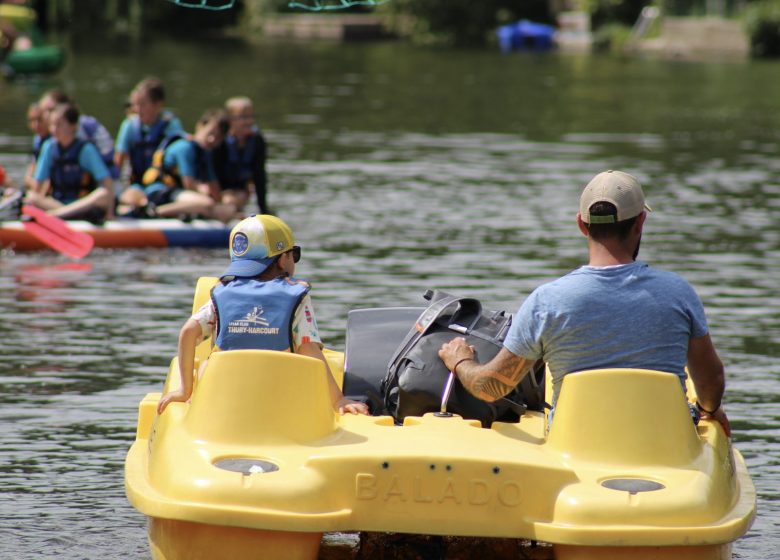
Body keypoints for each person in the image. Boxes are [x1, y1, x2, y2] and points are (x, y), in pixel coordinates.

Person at [438, 170, 730, 436]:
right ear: (641, 222)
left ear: (581, 224)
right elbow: (711, 382)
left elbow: (491, 387)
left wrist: (461, 360)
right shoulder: (679, 292)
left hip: (579, 442)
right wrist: (709, 408)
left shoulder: (547, 301)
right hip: (665, 441)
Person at [156, 214, 369, 416]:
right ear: (283, 259)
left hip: (224, 397)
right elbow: (308, 348)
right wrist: (339, 400)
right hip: (278, 397)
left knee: (206, 364)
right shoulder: (295, 296)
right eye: (294, 254)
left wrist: (186, 390)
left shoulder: (221, 294)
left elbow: (187, 332)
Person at [120, 108, 229, 220]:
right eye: (210, 133)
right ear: (200, 126)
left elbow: (214, 188)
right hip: (160, 191)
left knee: (223, 209)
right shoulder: (185, 148)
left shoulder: (204, 154)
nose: (212, 139)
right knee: (206, 204)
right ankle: (152, 212)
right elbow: (189, 185)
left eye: (218, 138)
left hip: (177, 193)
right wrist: (205, 193)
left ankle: (185, 212)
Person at [25, 102, 114, 222]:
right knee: (31, 196)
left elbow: (107, 182)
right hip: (57, 204)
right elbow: (38, 185)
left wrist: (110, 215)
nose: (54, 129)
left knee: (103, 194)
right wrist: (32, 205)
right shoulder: (49, 147)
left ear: (73, 126)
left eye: (59, 125)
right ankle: (62, 214)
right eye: (52, 125)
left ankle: (56, 216)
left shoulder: (85, 149)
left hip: (82, 205)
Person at [114, 76, 184, 190]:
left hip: (165, 184)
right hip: (137, 185)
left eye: (143, 104)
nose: (138, 110)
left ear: (158, 104)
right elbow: (118, 161)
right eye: (136, 104)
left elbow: (182, 160)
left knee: (157, 191)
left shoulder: (171, 126)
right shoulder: (129, 126)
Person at [35, 90, 119, 179]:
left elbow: (109, 154)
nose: (47, 115)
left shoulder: (87, 126)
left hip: (99, 177)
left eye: (51, 110)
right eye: (43, 111)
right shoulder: (43, 138)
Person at [212, 96, 269, 216]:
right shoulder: (219, 141)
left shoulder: (257, 141)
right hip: (218, 189)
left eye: (252, 116)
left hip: (240, 190)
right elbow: (211, 173)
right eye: (244, 117)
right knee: (230, 200)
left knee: (238, 197)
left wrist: (263, 209)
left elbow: (259, 175)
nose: (249, 122)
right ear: (229, 119)